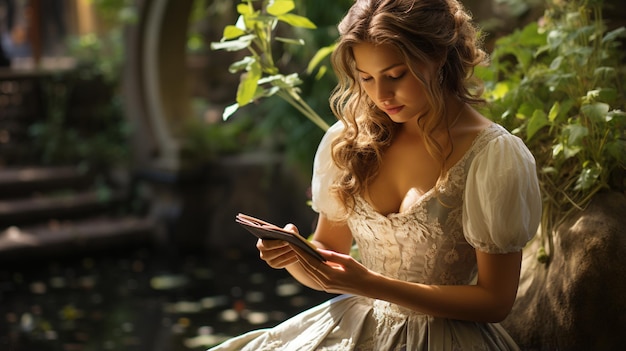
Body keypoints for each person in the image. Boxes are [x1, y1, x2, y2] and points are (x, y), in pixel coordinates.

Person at [209, 0, 542, 349]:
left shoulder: (492, 155)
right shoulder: (349, 140)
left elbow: (495, 301)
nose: (381, 95)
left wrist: (371, 285)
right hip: (356, 329)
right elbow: (328, 251)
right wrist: (297, 255)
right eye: (366, 78)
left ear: (437, 57)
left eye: (394, 75)